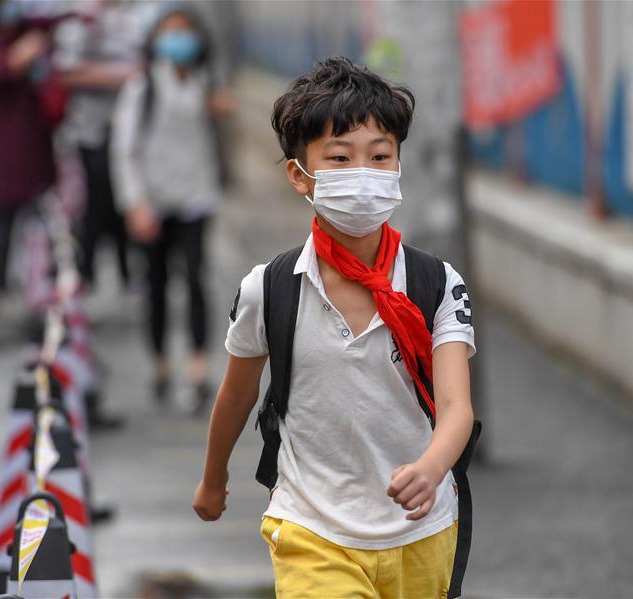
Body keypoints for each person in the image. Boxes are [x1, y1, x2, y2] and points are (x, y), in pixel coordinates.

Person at [192, 57, 478, 598]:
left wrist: (433, 466)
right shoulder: (269, 289)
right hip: (312, 527)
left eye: (380, 156)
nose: (364, 174)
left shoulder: (437, 283)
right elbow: (236, 395)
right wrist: (213, 478)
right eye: (341, 158)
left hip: (422, 529)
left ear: (398, 165)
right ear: (299, 175)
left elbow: (456, 405)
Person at [111, 6, 233, 411]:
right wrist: (134, 204)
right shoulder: (142, 88)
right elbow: (124, 151)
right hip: (153, 201)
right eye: (170, 32)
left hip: (197, 197)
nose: (178, 40)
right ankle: (160, 364)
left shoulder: (208, 85)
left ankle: (198, 366)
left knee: (196, 279)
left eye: (185, 31)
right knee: (157, 284)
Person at [0, 0, 56, 306]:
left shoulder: (25, 30)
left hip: (27, 144)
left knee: (27, 217)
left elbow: (53, 23)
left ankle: (26, 281)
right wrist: (24, 52)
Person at [53, 0, 144, 291]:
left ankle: (127, 271)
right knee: (94, 202)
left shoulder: (134, 19)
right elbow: (68, 71)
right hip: (90, 131)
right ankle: (86, 270)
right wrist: (123, 75)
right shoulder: (80, 21)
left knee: (123, 199)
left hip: (129, 129)